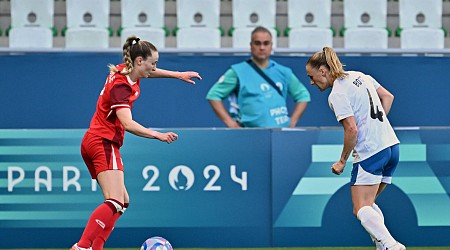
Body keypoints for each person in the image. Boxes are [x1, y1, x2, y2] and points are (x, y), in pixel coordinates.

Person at [71, 35, 201, 250]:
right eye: (153, 63)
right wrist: (157, 135)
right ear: (140, 61)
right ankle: (82, 246)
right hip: (102, 142)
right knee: (114, 201)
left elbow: (149, 73)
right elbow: (128, 124)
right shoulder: (121, 88)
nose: (155, 67)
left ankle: (96, 247)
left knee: (122, 203)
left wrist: (177, 75)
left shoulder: (127, 70)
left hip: (97, 140)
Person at [305, 47, 405, 250]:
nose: (312, 82)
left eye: (312, 77)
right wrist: (377, 123)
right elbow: (388, 97)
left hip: (371, 151)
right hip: (391, 147)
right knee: (366, 206)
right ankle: (383, 245)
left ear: (323, 71)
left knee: (360, 208)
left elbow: (351, 129)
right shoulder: (360, 75)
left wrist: (342, 160)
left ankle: (391, 245)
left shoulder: (336, 94)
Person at [206, 26, 310, 128]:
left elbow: (303, 95)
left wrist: (292, 121)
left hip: (281, 132)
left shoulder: (284, 72)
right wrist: (230, 123)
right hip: (250, 134)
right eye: (257, 43)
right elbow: (213, 95)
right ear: (251, 46)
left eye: (266, 43)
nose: (262, 47)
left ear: (271, 46)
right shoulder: (237, 71)